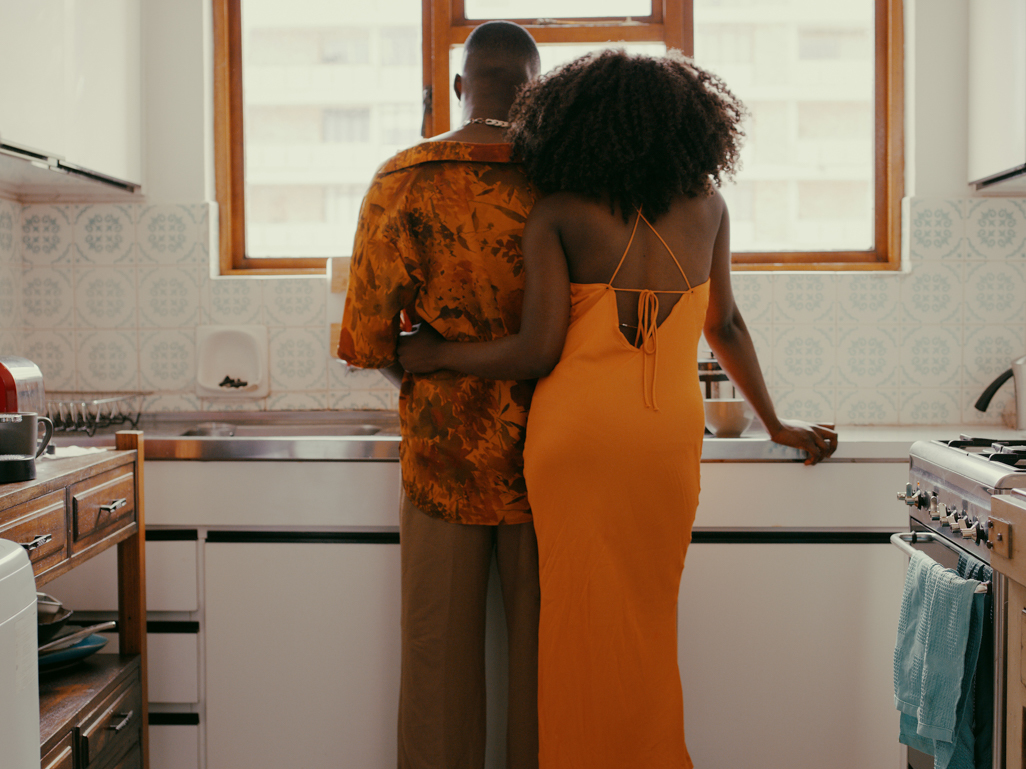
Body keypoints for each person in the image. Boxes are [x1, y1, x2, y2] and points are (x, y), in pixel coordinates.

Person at [397, 49, 839, 769]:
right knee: (648, 618)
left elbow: (535, 351)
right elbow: (725, 327)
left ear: (573, 126)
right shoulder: (710, 207)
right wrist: (775, 422)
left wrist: (436, 355)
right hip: (665, 443)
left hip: (573, 441)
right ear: (688, 128)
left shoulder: (560, 213)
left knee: (576, 624)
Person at [337, 20, 542, 769]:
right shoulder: (569, 180)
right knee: (548, 669)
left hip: (441, 458)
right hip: (550, 454)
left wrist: (432, 373)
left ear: (460, 87)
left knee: (436, 664)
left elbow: (368, 338)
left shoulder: (399, 179)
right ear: (535, 90)